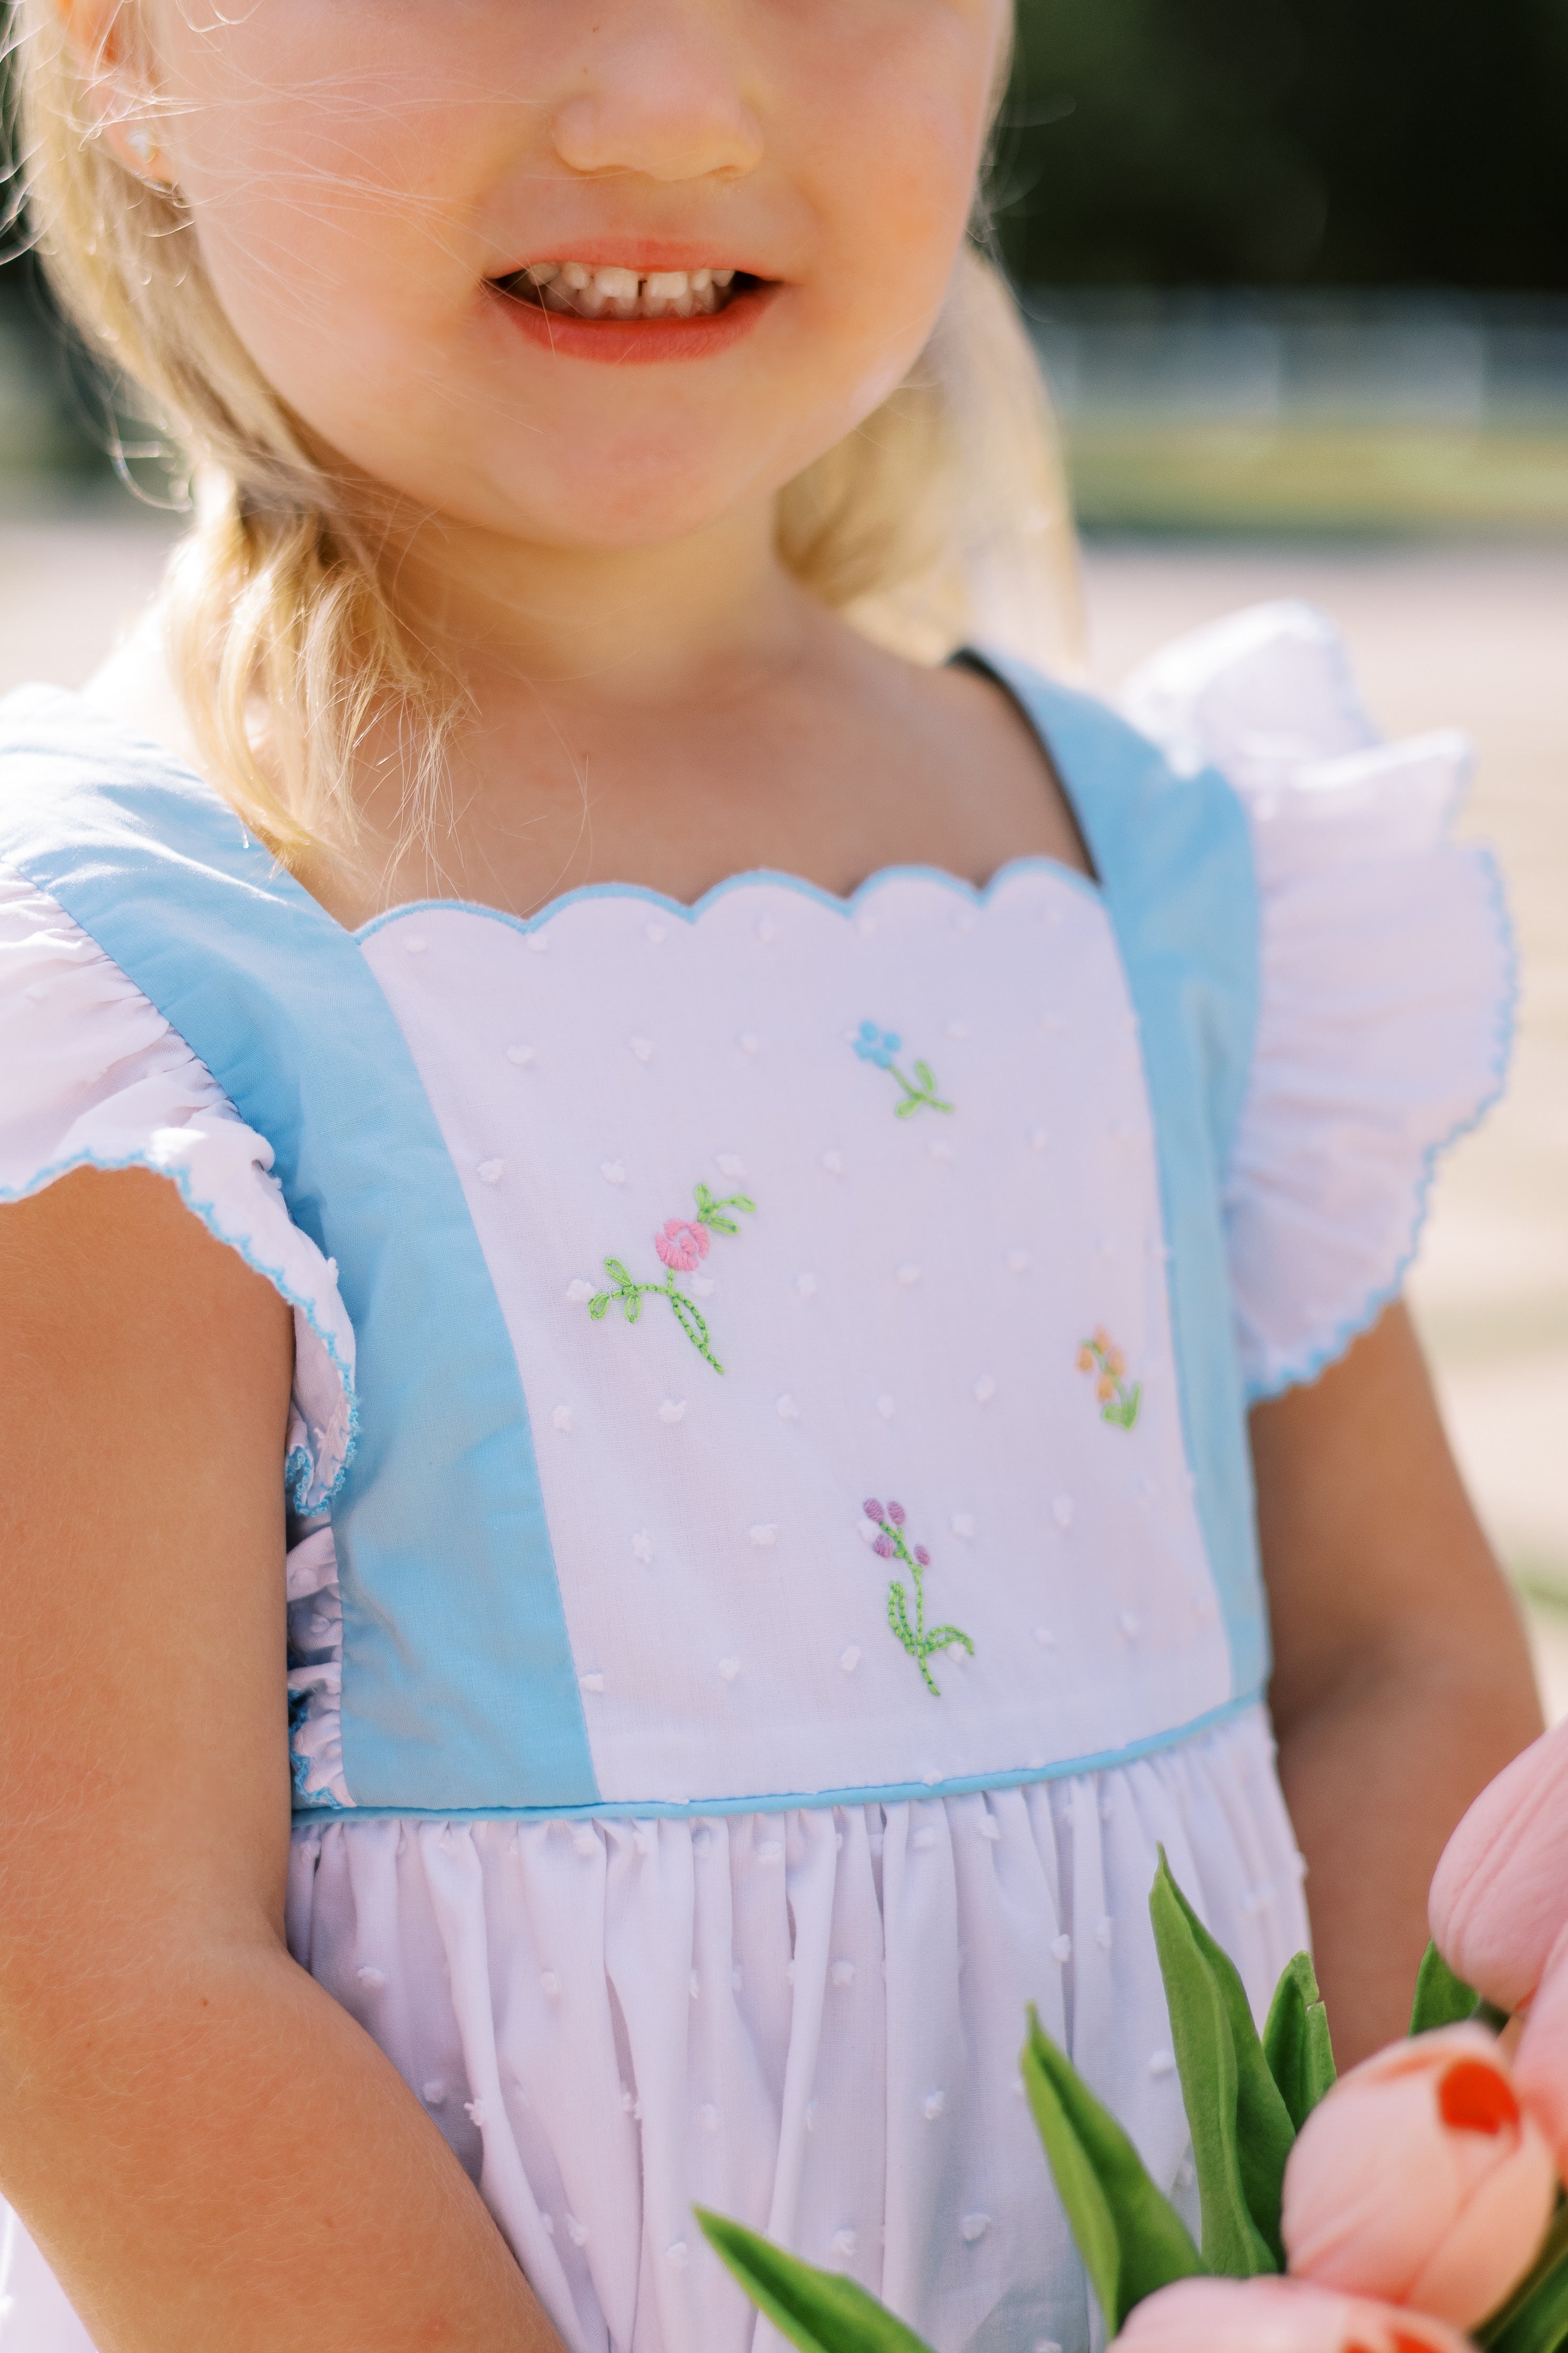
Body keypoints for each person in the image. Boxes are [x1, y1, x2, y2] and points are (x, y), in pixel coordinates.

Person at [0, 3, 1541, 2349]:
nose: (667, 107)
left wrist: (1351, 2272)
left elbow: (1390, 1656)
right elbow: (101, 1977)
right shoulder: (131, 982)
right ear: (123, 47)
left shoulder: (1159, 869)